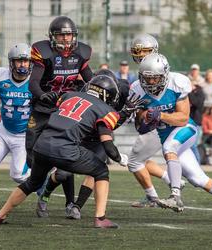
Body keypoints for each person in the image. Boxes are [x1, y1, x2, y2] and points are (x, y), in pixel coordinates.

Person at [0, 75, 128, 228]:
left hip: (42, 145)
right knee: (101, 171)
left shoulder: (69, 96)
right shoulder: (106, 110)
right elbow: (108, 146)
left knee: (32, 183)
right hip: (65, 149)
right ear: (108, 95)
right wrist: (119, 158)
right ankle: (100, 219)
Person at [133, 53, 212, 223]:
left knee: (169, 148)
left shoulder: (177, 83)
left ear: (165, 75)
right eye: (147, 78)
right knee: (199, 180)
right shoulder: (136, 90)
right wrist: (142, 118)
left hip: (186, 129)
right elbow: (140, 126)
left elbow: (183, 118)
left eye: (155, 78)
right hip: (168, 137)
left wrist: (159, 115)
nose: (151, 82)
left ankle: (175, 195)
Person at [36, 69, 139, 219]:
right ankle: (46, 194)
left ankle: (77, 206)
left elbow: (111, 124)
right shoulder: (82, 92)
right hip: (80, 137)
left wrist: (125, 113)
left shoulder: (120, 92)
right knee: (63, 173)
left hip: (99, 139)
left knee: (96, 170)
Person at [26, 16, 93, 217]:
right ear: (53, 36)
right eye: (62, 35)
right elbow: (33, 83)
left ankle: (70, 203)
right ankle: (43, 190)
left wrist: (102, 89)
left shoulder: (81, 54)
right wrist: (43, 95)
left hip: (64, 110)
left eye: (69, 34)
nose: (66, 39)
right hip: (42, 109)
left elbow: (92, 79)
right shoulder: (44, 53)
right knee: (33, 158)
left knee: (66, 156)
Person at [128, 34, 187, 208]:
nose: (140, 56)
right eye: (137, 52)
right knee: (140, 160)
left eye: (144, 51)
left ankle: (153, 196)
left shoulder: (169, 77)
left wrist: (152, 116)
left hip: (164, 125)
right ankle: (172, 181)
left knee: (134, 161)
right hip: (158, 124)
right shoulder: (138, 83)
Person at [0, 43, 32, 208]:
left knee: (18, 176)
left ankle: (42, 178)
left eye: (26, 61)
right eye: (19, 61)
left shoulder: (36, 81)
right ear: (11, 62)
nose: (22, 64)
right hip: (4, 130)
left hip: (23, 135)